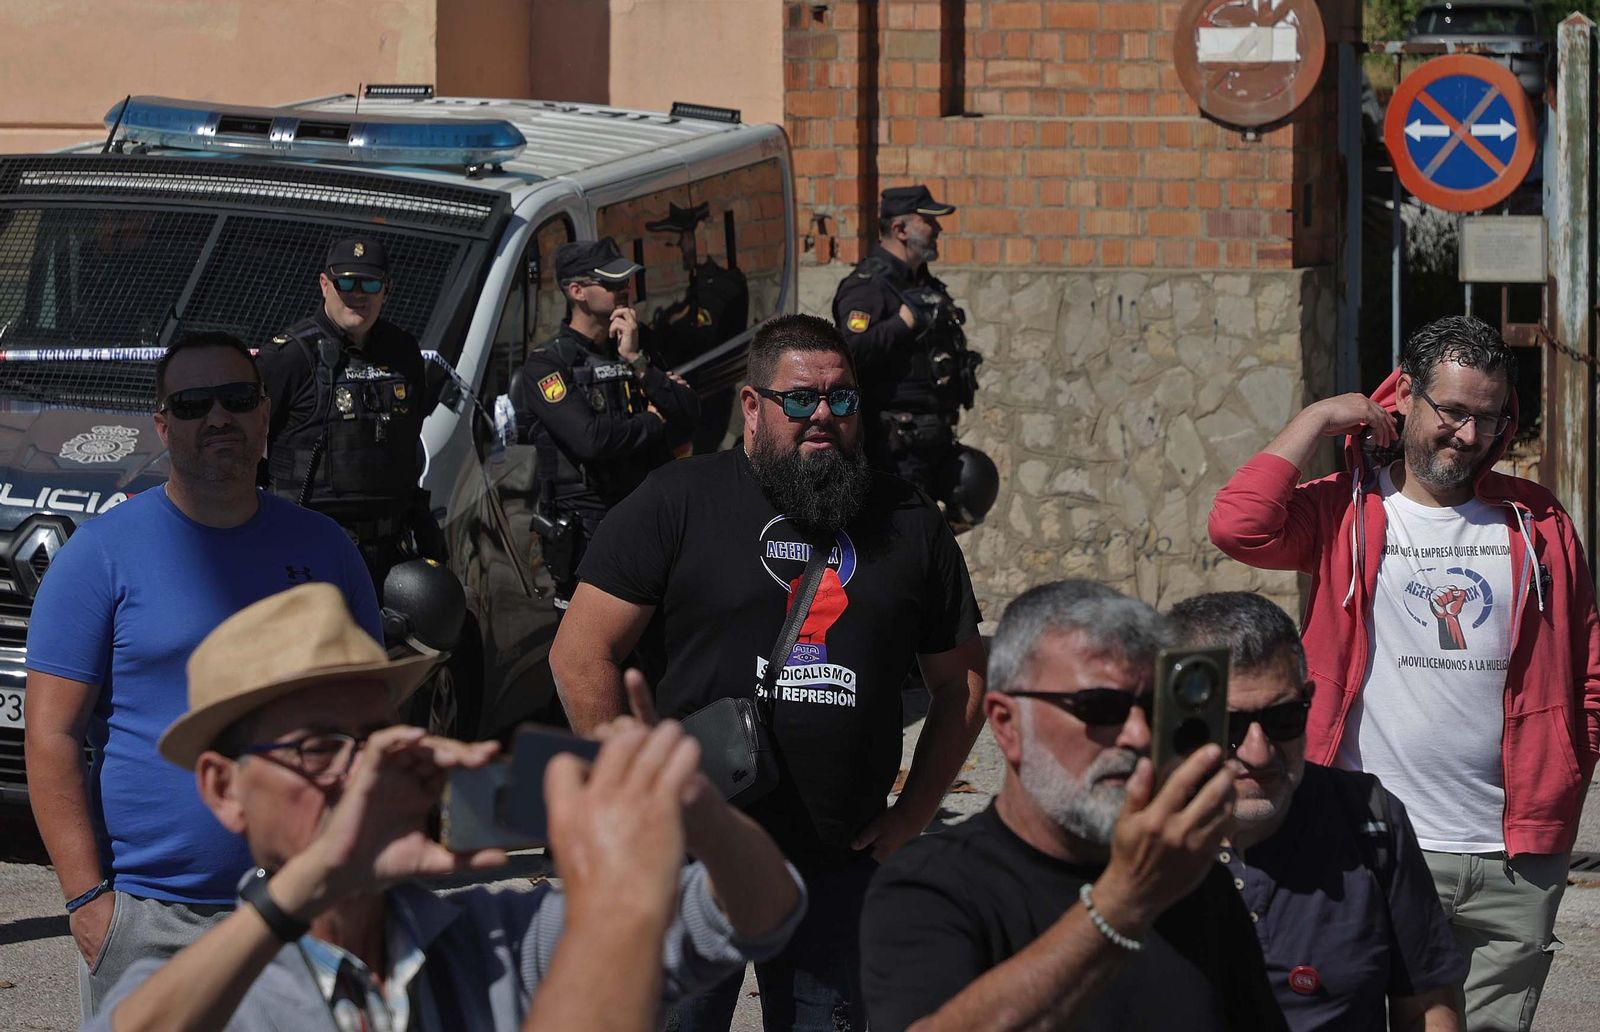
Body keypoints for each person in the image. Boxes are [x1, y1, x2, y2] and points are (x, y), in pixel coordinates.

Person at [88, 582, 805, 1032]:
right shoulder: (207, 985)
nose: (359, 771)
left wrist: (694, 807)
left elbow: (766, 908)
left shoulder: (492, 937)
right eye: (317, 747)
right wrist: (312, 884)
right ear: (224, 788)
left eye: (376, 738)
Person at [550, 313, 987, 1031]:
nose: (823, 416)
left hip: (838, 866)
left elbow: (962, 683)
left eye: (841, 400)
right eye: (801, 399)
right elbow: (580, 653)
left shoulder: (908, 521)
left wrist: (912, 815)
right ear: (752, 407)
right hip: (690, 862)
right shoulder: (678, 499)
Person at [1209, 314, 1600, 1032]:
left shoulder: (1536, 520)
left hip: (1509, 859)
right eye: (1451, 411)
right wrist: (1323, 416)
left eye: (1488, 418)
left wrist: (1567, 769)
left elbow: (1588, 668)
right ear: (1406, 397)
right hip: (1368, 840)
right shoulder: (1346, 508)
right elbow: (1240, 524)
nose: (1469, 436)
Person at [23, 331, 382, 1017]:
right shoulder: (99, 555)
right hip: (150, 923)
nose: (217, 418)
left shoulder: (326, 550)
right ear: (163, 426)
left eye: (236, 398)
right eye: (191, 405)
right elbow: (51, 736)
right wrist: (89, 904)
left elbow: (369, 730)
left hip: (302, 910)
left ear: (265, 415)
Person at [860, 580, 1285, 1031]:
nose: (1139, 735)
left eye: (1155, 707)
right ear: (1006, 724)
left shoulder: (1190, 879)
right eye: (1102, 708)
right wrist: (1121, 904)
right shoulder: (930, 888)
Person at [1169, 591, 1466, 1031]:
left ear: (1308, 699)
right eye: (1230, 726)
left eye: (1283, 718)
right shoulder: (1118, 834)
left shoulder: (1368, 818)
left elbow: (1427, 1004)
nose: (1258, 751)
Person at [510, 237, 699, 610]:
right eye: (612, 284)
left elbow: (688, 415)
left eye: (627, 282)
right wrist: (650, 421)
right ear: (576, 291)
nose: (624, 290)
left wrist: (637, 361)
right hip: (589, 527)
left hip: (649, 516)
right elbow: (590, 440)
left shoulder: (639, 346)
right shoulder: (548, 364)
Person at [257, 237, 444, 588]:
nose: (358, 294)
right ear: (325, 284)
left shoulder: (403, 350)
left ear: (387, 289)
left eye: (370, 284)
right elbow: (247, 445)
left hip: (391, 553)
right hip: (310, 551)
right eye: (346, 283)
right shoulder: (289, 356)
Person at [831, 184, 985, 520]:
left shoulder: (925, 286)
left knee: (976, 486)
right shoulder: (868, 286)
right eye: (928, 221)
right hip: (893, 449)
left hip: (935, 440)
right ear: (900, 229)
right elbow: (849, 351)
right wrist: (901, 324)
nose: (938, 229)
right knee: (906, 540)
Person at [645, 200, 750, 454]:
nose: (679, 248)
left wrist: (667, 329)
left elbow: (700, 338)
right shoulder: (691, 289)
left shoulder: (721, 287)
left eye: (682, 240)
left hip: (708, 398)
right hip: (687, 396)